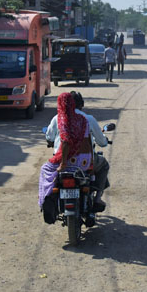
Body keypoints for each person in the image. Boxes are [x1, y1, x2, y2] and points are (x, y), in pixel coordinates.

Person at [38, 93, 99, 223]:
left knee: (45, 170)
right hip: (84, 161)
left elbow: (65, 141)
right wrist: (91, 164)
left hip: (69, 161)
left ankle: (47, 200)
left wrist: (63, 163)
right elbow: (88, 142)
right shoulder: (83, 120)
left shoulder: (62, 118)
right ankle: (95, 201)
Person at [44, 91, 110, 206]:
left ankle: (47, 199)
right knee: (103, 164)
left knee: (47, 173)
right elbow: (101, 141)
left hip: (62, 162)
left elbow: (50, 136)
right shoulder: (86, 119)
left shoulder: (58, 118)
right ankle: (98, 198)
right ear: (81, 104)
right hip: (84, 162)